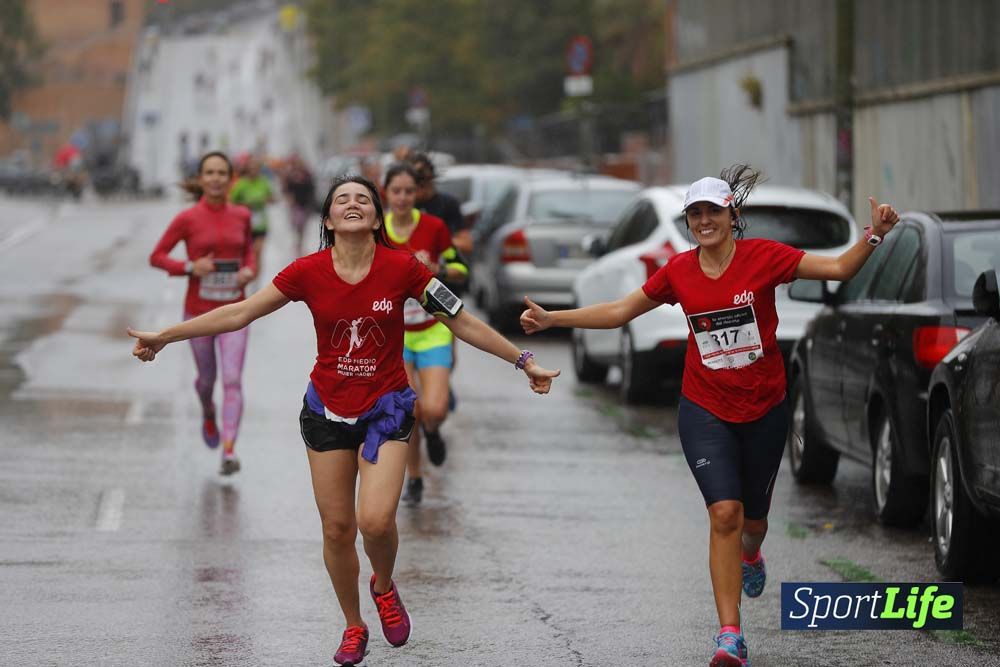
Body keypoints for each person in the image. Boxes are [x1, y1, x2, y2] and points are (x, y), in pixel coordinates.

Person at [128, 175, 559, 667]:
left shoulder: (404, 269)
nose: (352, 204)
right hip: (326, 410)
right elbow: (239, 312)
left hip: (387, 409)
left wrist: (523, 362)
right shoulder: (307, 272)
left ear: (376, 219)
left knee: (374, 522)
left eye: (362, 199)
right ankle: (354, 626)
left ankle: (383, 585)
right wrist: (166, 335)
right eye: (341, 200)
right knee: (336, 529)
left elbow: (460, 320)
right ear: (329, 220)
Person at [519, 164, 899, 667]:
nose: (704, 221)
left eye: (713, 211)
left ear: (731, 214)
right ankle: (729, 635)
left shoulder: (764, 257)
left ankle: (751, 554)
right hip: (704, 407)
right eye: (695, 214)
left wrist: (875, 234)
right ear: (688, 221)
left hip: (764, 407)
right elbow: (617, 312)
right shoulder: (679, 270)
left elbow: (838, 269)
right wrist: (552, 318)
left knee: (754, 523)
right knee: (725, 514)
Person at [148, 151, 257, 475]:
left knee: (233, 379)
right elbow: (157, 256)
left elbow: (248, 253)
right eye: (209, 172)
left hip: (236, 310)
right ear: (200, 179)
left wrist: (249, 271)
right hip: (198, 313)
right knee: (207, 379)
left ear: (230, 178)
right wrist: (190, 267)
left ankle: (228, 450)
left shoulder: (242, 215)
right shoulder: (187, 219)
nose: (215, 179)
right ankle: (208, 409)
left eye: (222, 173)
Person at [380, 163, 468, 506]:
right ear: (385, 193)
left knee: (435, 409)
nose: (402, 198)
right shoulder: (378, 232)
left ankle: (434, 431)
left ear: (417, 194)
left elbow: (460, 268)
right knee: (408, 410)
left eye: (408, 191)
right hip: (395, 337)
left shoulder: (434, 228)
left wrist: (439, 269)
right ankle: (414, 477)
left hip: (433, 330)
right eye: (396, 191)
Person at [229, 154, 275, 274]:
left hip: (260, 223)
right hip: (245, 224)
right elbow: (231, 202)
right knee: (247, 252)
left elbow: (272, 198)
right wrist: (245, 204)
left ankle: (257, 277)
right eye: (251, 168)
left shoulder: (263, 182)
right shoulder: (241, 184)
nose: (253, 170)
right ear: (247, 169)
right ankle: (248, 271)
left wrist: (265, 200)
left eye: (256, 168)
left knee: (257, 251)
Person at [282, 155, 317, 256]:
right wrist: (288, 198)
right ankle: (298, 244)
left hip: (305, 204)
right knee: (297, 225)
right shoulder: (290, 175)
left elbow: (312, 188)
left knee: (303, 226)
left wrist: (311, 202)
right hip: (295, 205)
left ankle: (300, 244)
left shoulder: (307, 175)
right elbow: (286, 189)